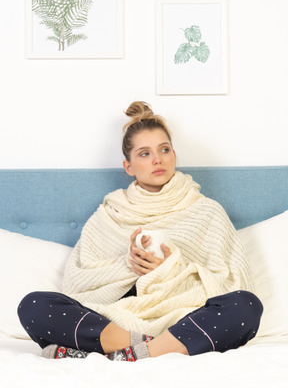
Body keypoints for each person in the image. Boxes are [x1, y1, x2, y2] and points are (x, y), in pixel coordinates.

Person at [18, 101, 263, 361]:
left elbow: (232, 282)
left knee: (246, 306)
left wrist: (172, 267)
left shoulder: (207, 211)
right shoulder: (109, 215)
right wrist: (128, 264)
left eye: (164, 150)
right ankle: (149, 348)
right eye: (144, 154)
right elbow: (78, 283)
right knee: (34, 306)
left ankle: (121, 354)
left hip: (182, 318)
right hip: (114, 320)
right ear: (129, 166)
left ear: (174, 156)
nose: (158, 159)